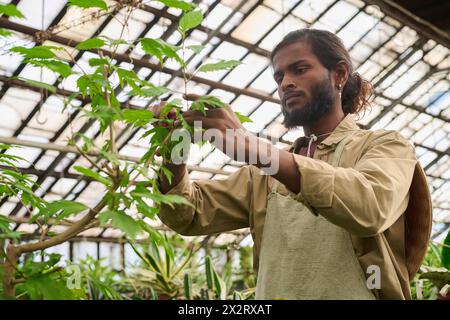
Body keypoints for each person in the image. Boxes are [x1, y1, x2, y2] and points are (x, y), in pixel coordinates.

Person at [152, 29, 432, 300]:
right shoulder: (263, 175)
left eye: (299, 69)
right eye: (279, 76)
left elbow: (370, 206)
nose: (285, 83)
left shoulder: (385, 146)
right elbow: (190, 214)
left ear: (340, 74)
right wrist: (175, 152)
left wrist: (256, 150)